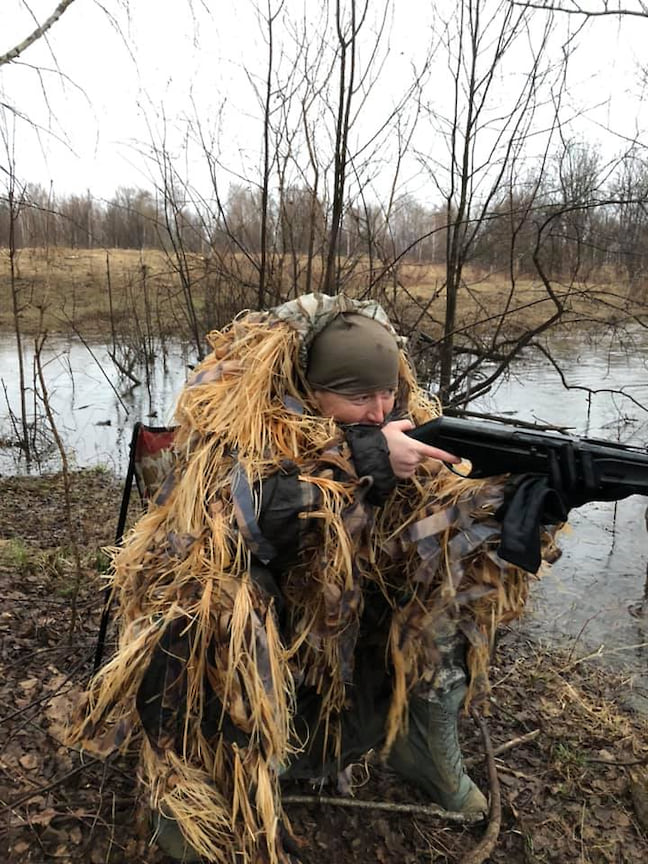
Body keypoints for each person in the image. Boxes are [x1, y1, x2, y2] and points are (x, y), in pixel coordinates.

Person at [68, 293, 550, 863]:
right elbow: (225, 524)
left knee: (457, 573)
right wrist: (359, 456)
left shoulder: (397, 427)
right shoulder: (235, 424)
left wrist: (527, 504)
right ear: (311, 389)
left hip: (330, 635)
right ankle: (191, 796)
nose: (378, 410)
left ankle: (418, 744)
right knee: (219, 604)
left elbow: (425, 533)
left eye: (388, 392)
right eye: (357, 397)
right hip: (236, 638)